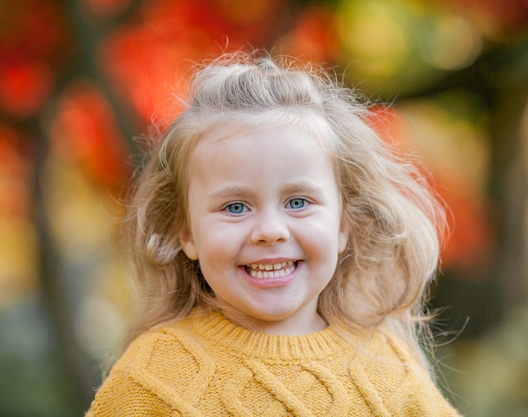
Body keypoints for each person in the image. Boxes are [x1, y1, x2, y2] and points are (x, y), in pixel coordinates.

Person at [86, 51, 460, 416]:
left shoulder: (388, 368)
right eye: (235, 207)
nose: (270, 232)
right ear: (187, 235)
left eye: (298, 202)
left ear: (343, 224)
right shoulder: (153, 377)